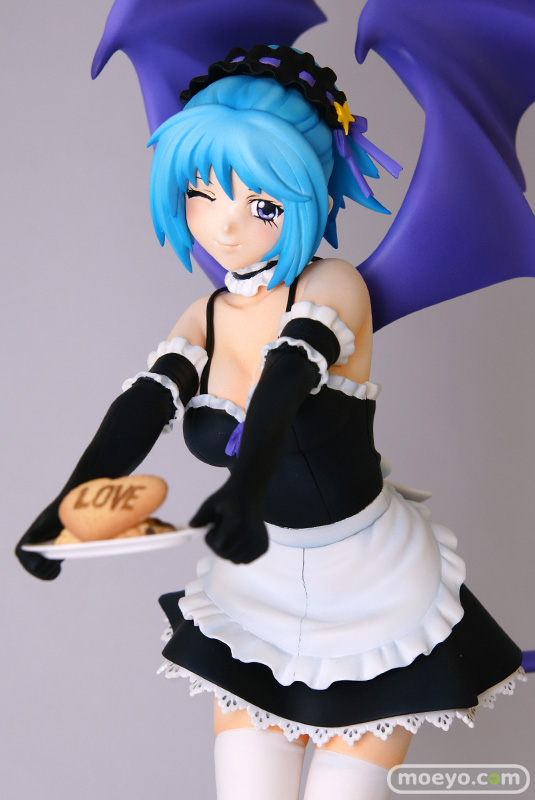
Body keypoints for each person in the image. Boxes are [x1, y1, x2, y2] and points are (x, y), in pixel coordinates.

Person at [17, 46, 525, 800]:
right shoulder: (205, 314)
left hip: (374, 585)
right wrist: (67, 507)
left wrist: (243, 493)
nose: (225, 228)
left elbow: (284, 386)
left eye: (261, 204)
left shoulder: (333, 286)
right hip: (259, 588)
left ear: (308, 196)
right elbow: (139, 410)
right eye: (202, 192)